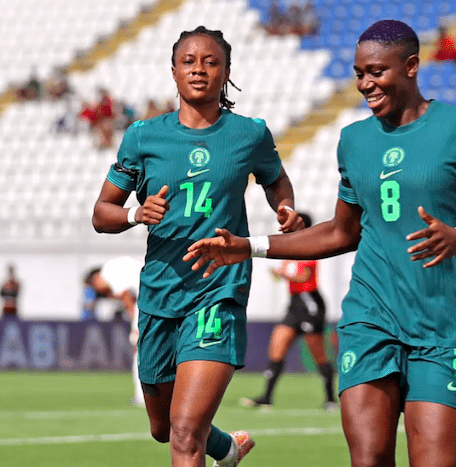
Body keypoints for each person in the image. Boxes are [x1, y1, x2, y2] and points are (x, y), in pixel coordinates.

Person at [185, 20, 456, 467]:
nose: (365, 84)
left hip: (441, 327)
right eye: (359, 73)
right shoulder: (354, 139)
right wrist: (250, 246)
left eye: (377, 72)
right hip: (368, 320)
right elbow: (342, 232)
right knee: (368, 459)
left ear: (411, 66)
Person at [92, 25, 303, 467]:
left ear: (226, 72)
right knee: (164, 427)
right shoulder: (143, 136)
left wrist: (284, 207)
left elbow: (276, 179)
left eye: (211, 62)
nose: (199, 70)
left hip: (217, 290)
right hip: (160, 292)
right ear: (173, 71)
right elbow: (102, 213)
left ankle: (209, 443)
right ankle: (226, 448)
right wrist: (135, 214)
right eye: (188, 61)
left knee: (186, 431)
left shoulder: (249, 133)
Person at [238, 213, 337, 410]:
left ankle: (330, 399)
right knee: (277, 348)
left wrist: (283, 274)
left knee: (319, 354)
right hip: (294, 305)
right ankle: (266, 397)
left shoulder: (310, 248)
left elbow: (304, 276)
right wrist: (280, 275)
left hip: (310, 305)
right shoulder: (292, 250)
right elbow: (290, 276)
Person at [88, 256, 145, 407]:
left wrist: (134, 321)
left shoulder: (108, 272)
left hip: (145, 303)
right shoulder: (117, 266)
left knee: (139, 349)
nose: (98, 291)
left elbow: (125, 295)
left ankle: (142, 396)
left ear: (96, 279)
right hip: (156, 296)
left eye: (95, 287)